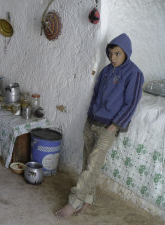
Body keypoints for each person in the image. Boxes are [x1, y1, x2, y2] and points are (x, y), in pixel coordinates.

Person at [55, 33, 144, 218]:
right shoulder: (105, 71)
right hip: (92, 122)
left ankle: (73, 202)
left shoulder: (134, 74)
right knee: (89, 164)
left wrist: (114, 126)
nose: (113, 57)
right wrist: (89, 117)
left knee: (93, 164)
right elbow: (96, 96)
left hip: (109, 128)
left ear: (126, 53)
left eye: (117, 54)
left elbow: (131, 104)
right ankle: (88, 200)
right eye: (111, 53)